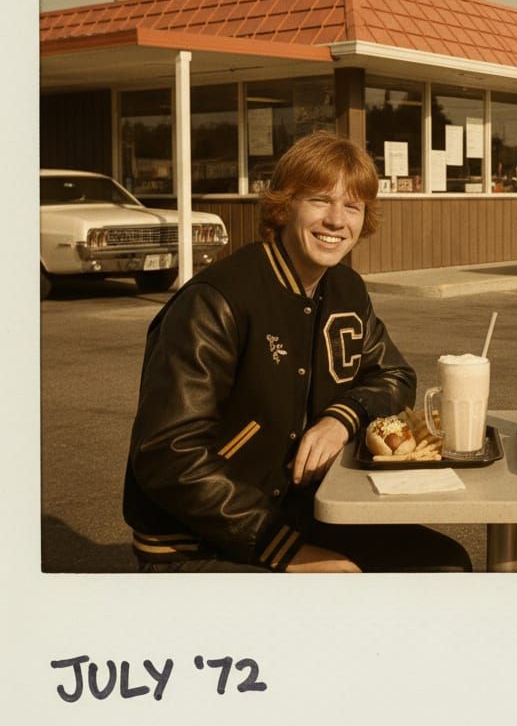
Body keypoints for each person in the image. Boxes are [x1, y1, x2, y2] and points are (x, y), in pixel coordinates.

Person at [122, 131, 471, 573]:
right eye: (320, 200)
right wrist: (280, 548)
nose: (336, 220)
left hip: (298, 516)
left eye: (353, 206)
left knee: (444, 565)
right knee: (342, 587)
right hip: (196, 541)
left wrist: (340, 419)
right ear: (285, 205)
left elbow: (394, 376)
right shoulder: (217, 299)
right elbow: (169, 455)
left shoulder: (345, 288)